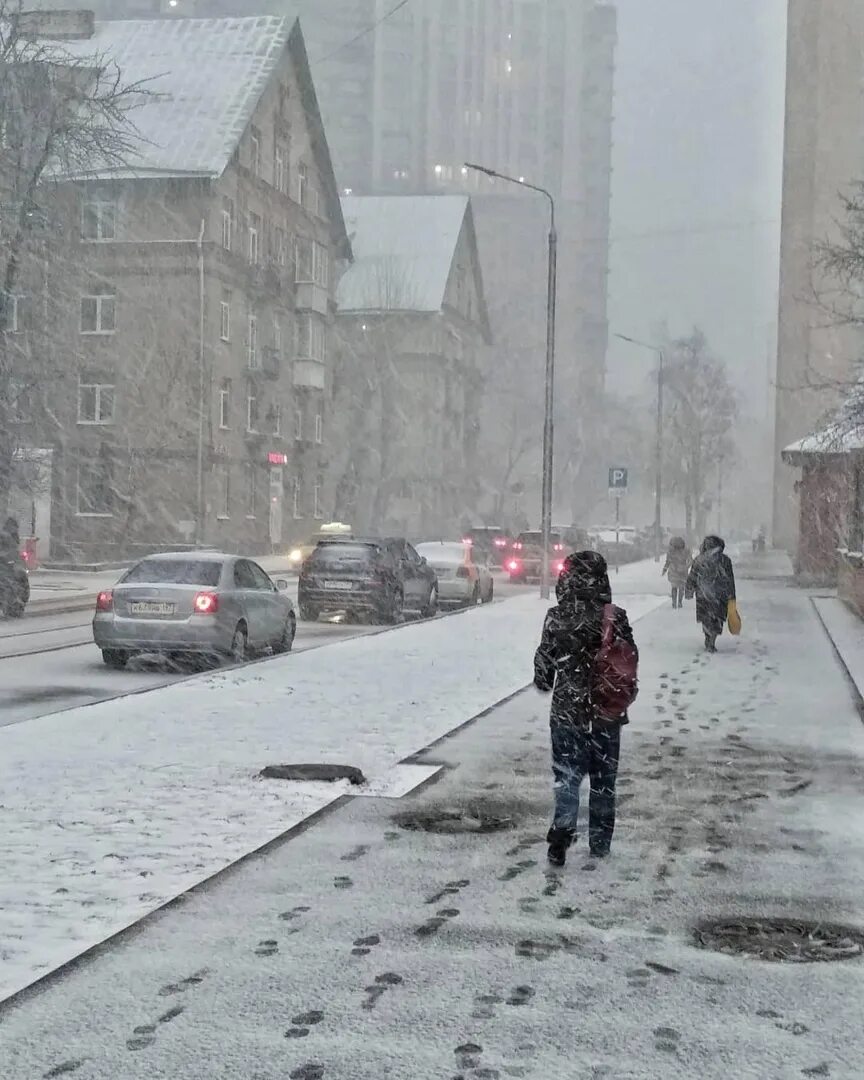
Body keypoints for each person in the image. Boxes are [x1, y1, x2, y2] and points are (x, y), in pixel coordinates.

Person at [534, 550, 637, 867]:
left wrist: (552, 675)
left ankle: (562, 831)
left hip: (567, 713)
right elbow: (629, 661)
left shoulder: (556, 616)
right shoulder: (614, 616)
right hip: (605, 713)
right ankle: (600, 844)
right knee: (604, 783)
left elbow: (543, 671)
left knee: (566, 777)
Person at [686, 535, 736, 653]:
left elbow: (693, 575)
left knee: (706, 618)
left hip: (703, 594)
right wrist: (732, 595)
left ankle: (708, 637)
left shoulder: (699, 559)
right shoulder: (725, 560)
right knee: (717, 619)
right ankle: (712, 640)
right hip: (720, 595)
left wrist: (689, 589)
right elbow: (730, 579)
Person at [662, 536, 690, 609]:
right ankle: (679, 602)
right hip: (683, 572)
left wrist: (664, 569)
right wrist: (686, 567)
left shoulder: (670, 552)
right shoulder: (686, 551)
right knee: (681, 587)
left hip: (673, 571)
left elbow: (667, 562)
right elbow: (690, 561)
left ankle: (674, 603)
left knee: (674, 587)